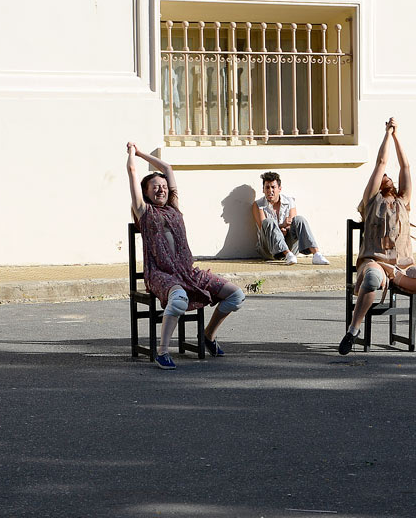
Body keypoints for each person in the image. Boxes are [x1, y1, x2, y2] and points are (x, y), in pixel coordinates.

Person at [340, 118, 416, 355]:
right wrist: (387, 133)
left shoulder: (403, 201)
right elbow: (381, 162)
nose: (386, 175)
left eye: (389, 176)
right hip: (375, 263)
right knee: (370, 281)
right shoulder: (371, 201)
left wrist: (398, 136)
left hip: (404, 269)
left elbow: (405, 167)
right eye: (383, 176)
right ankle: (352, 331)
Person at [127, 142, 245, 369]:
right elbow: (132, 172)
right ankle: (162, 352)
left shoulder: (174, 207)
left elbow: (168, 169)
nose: (161, 189)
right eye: (155, 187)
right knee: (179, 299)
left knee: (236, 296)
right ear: (146, 192)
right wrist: (132, 153)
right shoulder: (144, 211)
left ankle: (208, 336)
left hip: (188, 272)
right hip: (160, 274)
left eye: (163, 186)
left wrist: (143, 153)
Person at [251, 171, 329, 265]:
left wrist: (286, 228)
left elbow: (292, 223)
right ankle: (287, 255)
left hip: (290, 245)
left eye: (273, 187)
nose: (270, 191)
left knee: (299, 219)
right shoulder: (258, 205)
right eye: (267, 187)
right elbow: (264, 228)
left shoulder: (289, 201)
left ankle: (317, 255)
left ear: (279, 189)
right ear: (263, 190)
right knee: (268, 221)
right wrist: (282, 226)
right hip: (269, 250)